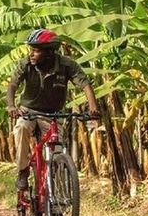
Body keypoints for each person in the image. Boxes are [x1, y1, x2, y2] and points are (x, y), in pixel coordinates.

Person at [6, 29, 99, 191]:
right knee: (21, 129)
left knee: (57, 155)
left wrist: (93, 108)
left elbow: (85, 85)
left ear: (49, 53)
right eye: (31, 50)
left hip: (52, 114)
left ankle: (57, 204)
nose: (31, 54)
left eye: (36, 50)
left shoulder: (67, 65)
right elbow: (13, 85)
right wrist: (12, 106)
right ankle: (22, 171)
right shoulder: (26, 63)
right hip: (28, 112)